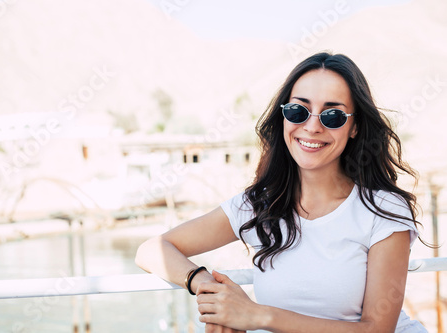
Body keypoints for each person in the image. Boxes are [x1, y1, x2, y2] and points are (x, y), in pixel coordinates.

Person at [135, 52, 428, 332]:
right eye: (298, 110)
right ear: (284, 116)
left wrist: (257, 315)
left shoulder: (382, 211)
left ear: (354, 127)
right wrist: (212, 292)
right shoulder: (259, 204)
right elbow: (150, 250)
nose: (312, 126)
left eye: (333, 115)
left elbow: (377, 330)